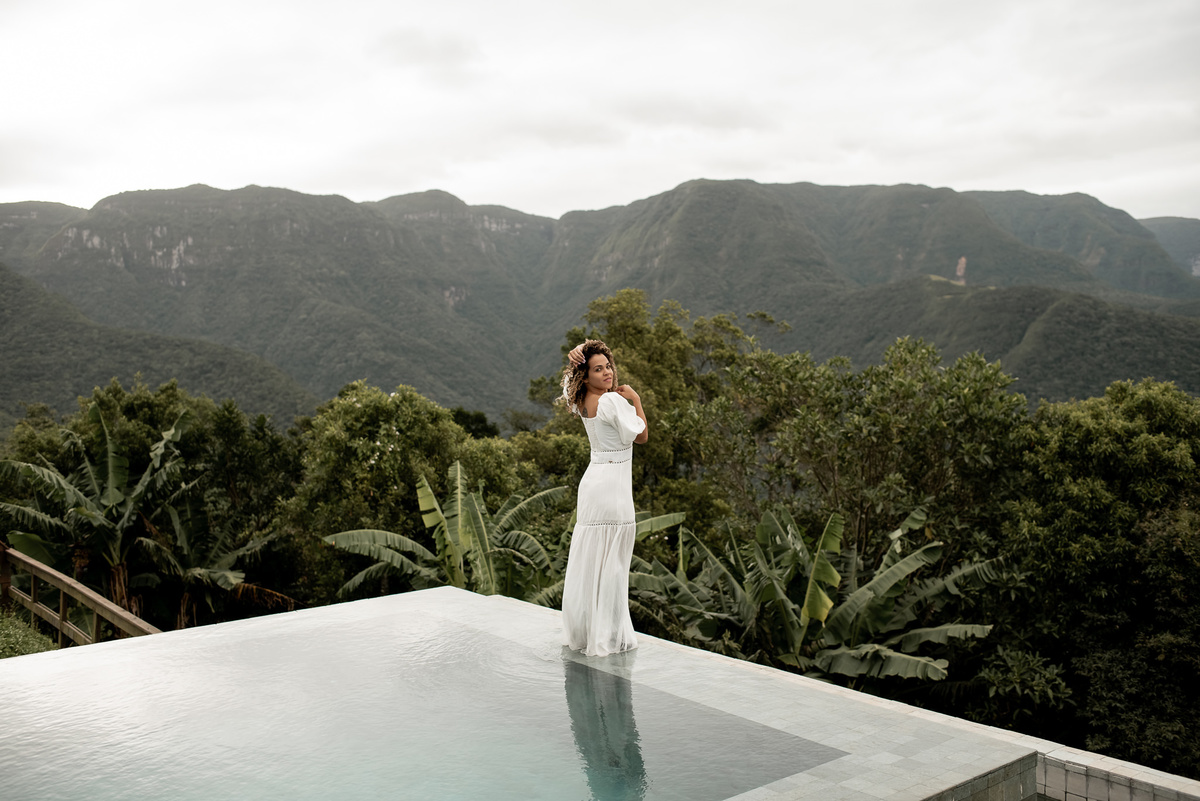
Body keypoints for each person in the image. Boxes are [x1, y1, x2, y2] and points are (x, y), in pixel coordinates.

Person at [558, 339, 648, 656]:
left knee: (593, 563)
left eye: (608, 365)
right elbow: (642, 436)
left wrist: (582, 348)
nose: (607, 372)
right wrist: (636, 399)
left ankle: (590, 634)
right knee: (613, 567)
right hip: (613, 489)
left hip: (593, 485)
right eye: (598, 369)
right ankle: (606, 637)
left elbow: (566, 380)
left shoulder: (581, 400)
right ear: (587, 376)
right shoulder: (611, 403)